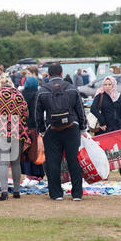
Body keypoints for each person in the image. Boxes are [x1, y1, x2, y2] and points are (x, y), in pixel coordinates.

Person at [36, 63, 88, 201]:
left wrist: (41, 131)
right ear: (61, 73)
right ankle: (77, 194)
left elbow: (38, 114)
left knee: (53, 162)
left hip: (51, 129)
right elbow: (80, 110)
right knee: (74, 160)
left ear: (48, 74)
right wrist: (82, 127)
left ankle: (56, 194)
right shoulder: (72, 88)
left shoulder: (42, 90)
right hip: (71, 128)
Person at [0, 74, 30, 201]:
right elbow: (26, 113)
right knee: (16, 162)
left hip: (2, 131)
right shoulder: (19, 95)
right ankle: (17, 191)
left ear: (1, 84)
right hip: (17, 132)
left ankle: (4, 192)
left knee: (3, 163)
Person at [90, 76, 121, 181]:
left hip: (117, 127)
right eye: (105, 84)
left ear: (113, 85)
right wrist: (102, 122)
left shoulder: (118, 96)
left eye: (109, 84)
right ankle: (105, 174)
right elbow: (93, 109)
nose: (107, 87)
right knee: (104, 152)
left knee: (120, 151)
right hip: (105, 128)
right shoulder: (100, 95)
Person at [21, 76, 45, 180]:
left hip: (23, 127)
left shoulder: (21, 94)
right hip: (35, 127)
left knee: (26, 151)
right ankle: (37, 174)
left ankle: (28, 174)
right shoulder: (38, 94)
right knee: (36, 151)